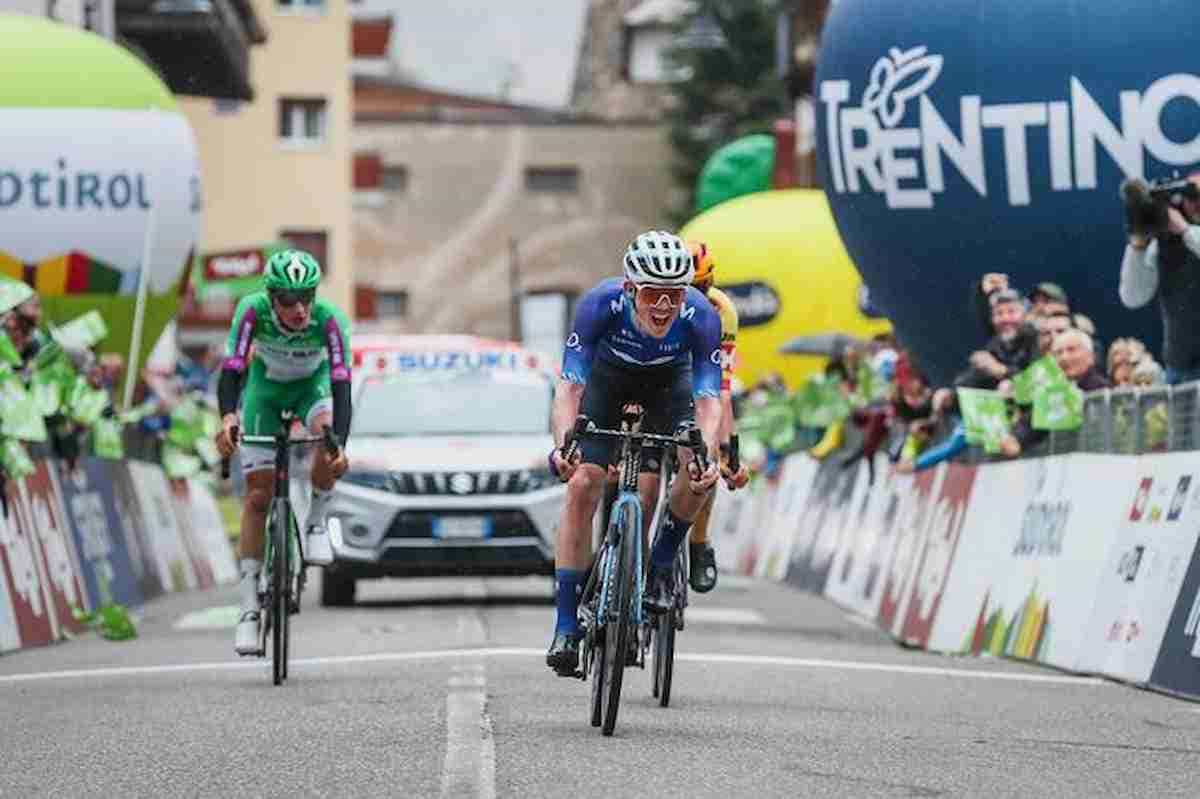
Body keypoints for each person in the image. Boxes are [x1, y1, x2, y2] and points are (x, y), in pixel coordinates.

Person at [545, 230, 722, 676]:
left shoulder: (700, 316)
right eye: (652, 295)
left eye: (673, 296)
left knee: (696, 472)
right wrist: (563, 445)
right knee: (584, 482)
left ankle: (661, 565)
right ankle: (566, 625)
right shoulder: (599, 305)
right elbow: (570, 387)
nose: (664, 307)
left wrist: (708, 453)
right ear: (630, 289)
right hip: (608, 382)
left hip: (670, 387)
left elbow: (708, 400)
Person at [212, 249, 352, 656]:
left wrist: (339, 445)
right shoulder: (251, 310)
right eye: (288, 300)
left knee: (327, 437)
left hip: (313, 388)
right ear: (271, 297)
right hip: (264, 393)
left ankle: (316, 522)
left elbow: (342, 386)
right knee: (257, 497)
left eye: (306, 296)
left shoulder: (330, 319)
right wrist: (226, 418)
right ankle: (249, 609)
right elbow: (233, 369)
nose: (299, 308)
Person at [682, 240, 750, 594]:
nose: (694, 298)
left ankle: (699, 540)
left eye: (701, 289)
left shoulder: (722, 311)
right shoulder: (653, 304)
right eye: (686, 290)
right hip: (658, 378)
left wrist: (730, 451)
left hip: (701, 386)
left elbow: (721, 388)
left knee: (706, 460)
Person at [1120, 173, 1200, 384]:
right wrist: (1139, 243)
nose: (1197, 204)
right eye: (1191, 197)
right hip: (1180, 370)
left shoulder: (1184, 232)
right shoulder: (1167, 240)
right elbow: (1133, 297)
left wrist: (1185, 231)